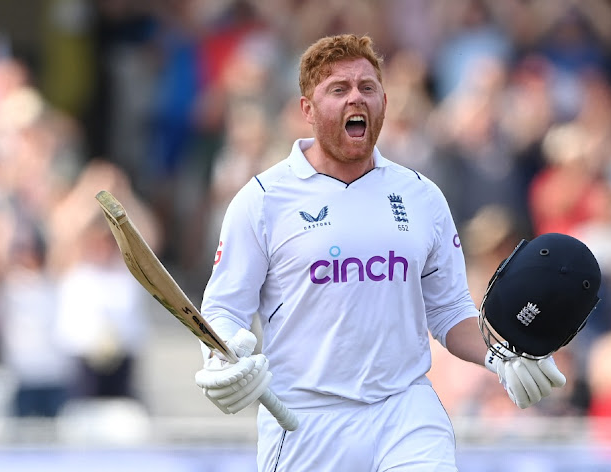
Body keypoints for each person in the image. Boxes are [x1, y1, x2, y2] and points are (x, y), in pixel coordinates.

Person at [195, 34, 575, 471]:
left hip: (405, 409)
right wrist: (221, 357)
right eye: (338, 89)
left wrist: (502, 355)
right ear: (307, 109)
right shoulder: (262, 199)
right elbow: (223, 309)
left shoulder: (421, 196)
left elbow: (450, 312)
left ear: (384, 102)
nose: (356, 97)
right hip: (306, 418)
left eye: (367, 87)